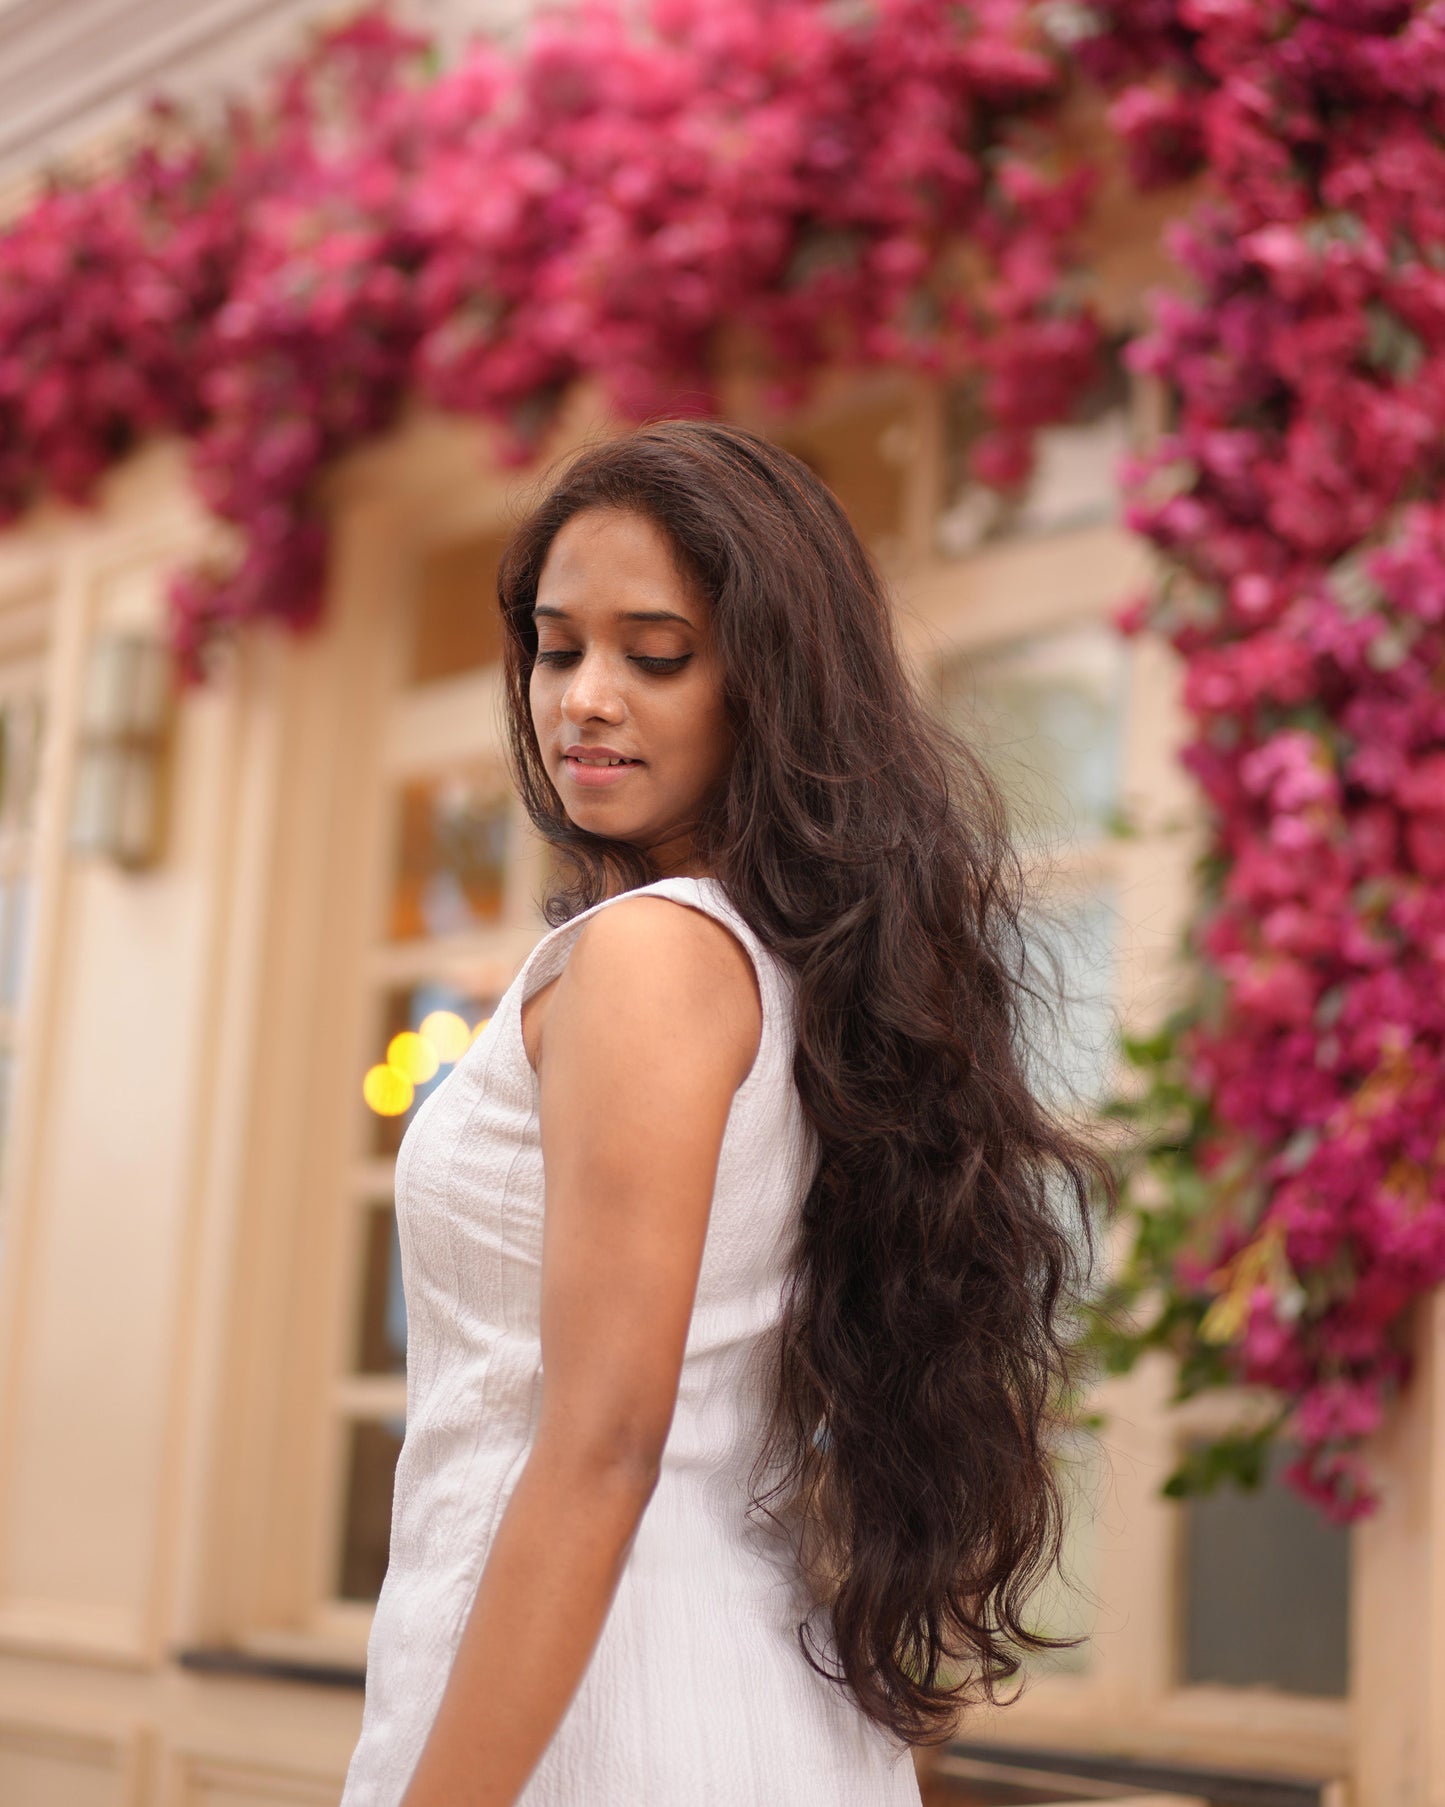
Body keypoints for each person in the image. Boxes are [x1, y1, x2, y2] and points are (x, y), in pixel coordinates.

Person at [338, 420, 1112, 1807]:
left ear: (767, 682)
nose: (582, 698)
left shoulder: (650, 957)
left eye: (655, 653)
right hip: (698, 1684)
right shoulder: (774, 960)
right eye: (556, 647)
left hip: (600, 1713)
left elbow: (604, 1443)